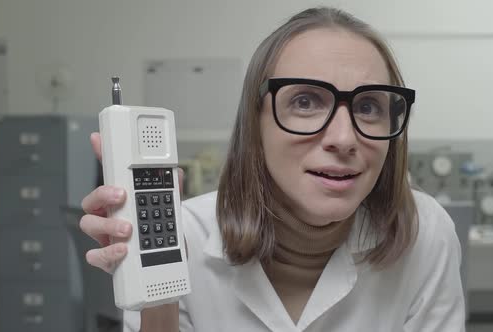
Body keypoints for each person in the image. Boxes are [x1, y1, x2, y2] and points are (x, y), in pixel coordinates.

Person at [80, 6, 465, 332]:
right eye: (305, 101)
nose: (344, 138)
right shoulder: (183, 239)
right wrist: (156, 291)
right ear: (255, 123)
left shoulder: (425, 233)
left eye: (368, 107)